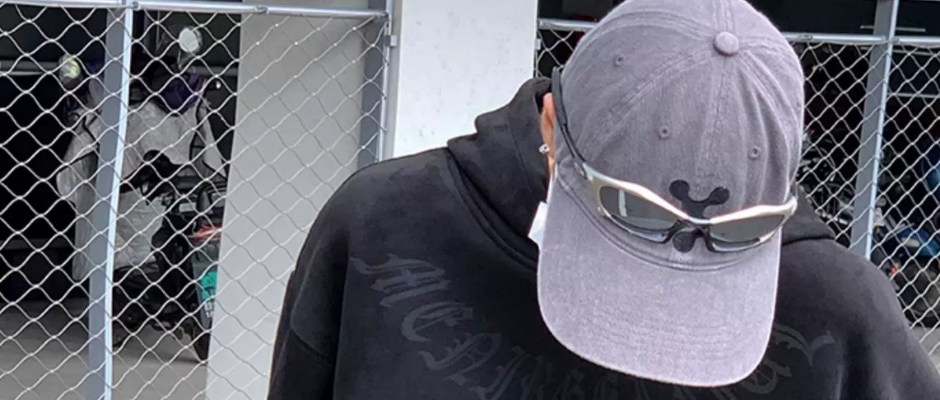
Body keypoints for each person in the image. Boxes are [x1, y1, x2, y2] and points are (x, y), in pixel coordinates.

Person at [268, 0, 940, 398]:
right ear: (551, 129)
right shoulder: (385, 226)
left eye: (739, 233)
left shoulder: (838, 312)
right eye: (630, 212)